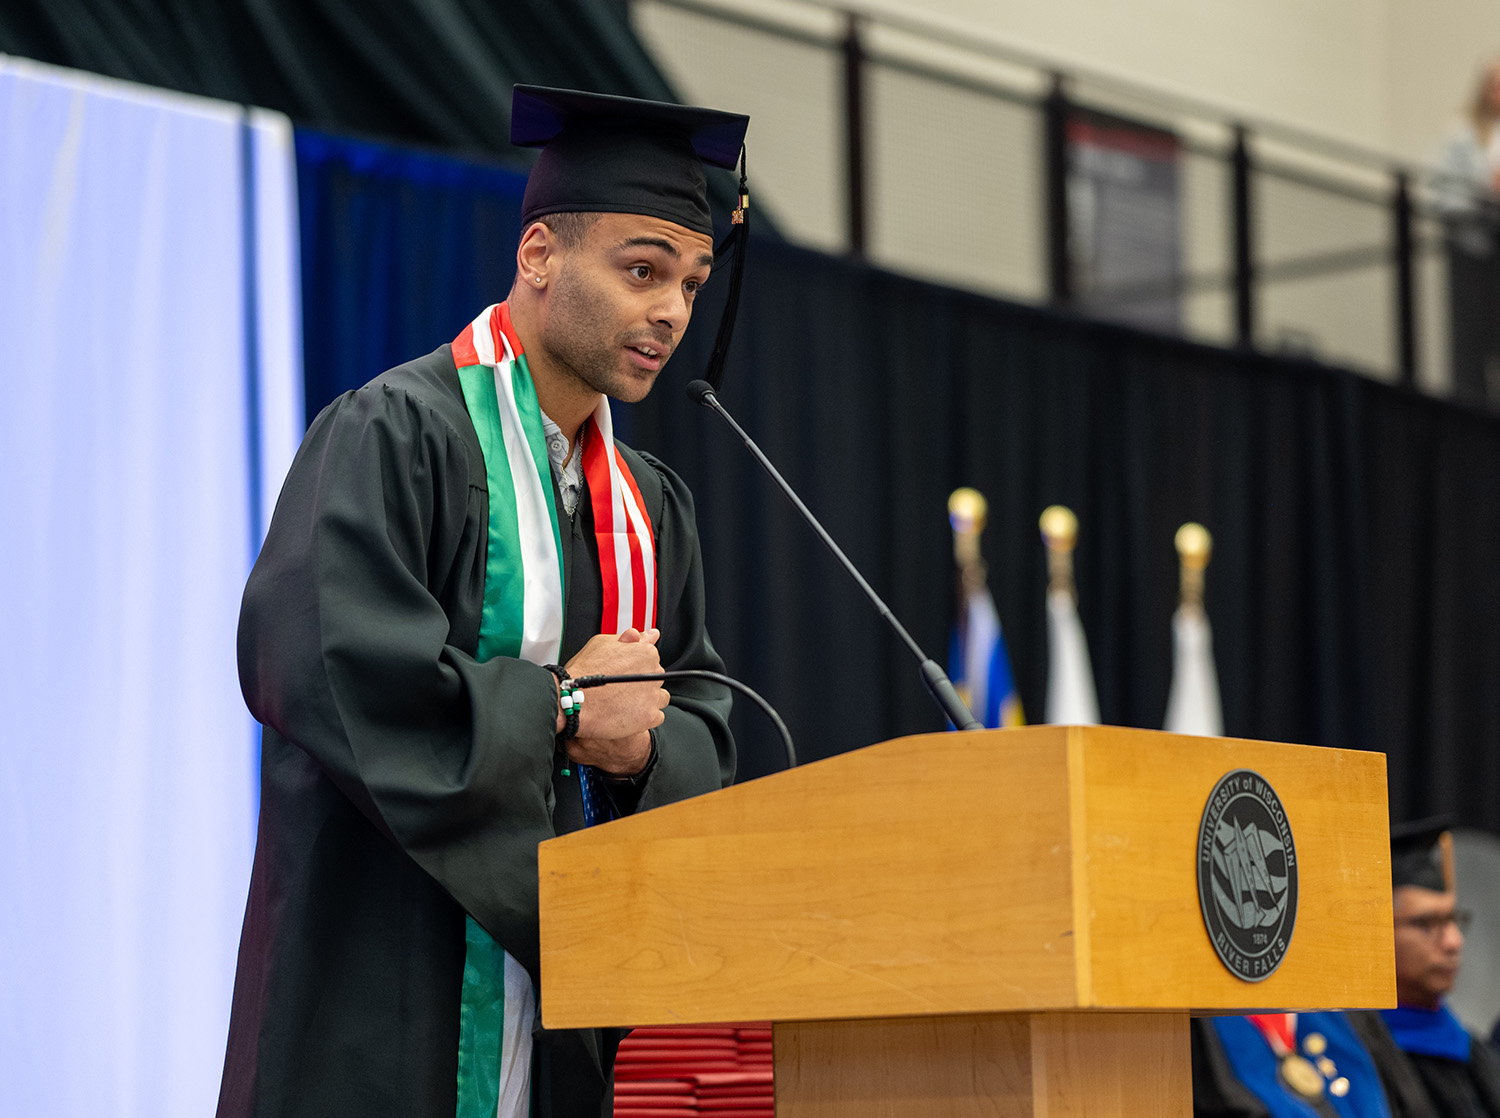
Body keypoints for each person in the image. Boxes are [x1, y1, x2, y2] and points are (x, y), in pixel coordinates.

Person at [216, 86, 747, 1118]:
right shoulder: (394, 435)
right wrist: (563, 710)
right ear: (540, 254)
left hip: (560, 1031)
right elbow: (325, 669)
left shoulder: (649, 511)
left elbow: (702, 727)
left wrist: (638, 748)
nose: (672, 311)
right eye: (642, 269)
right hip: (377, 996)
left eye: (692, 280)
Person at [1346, 819, 1500, 1117]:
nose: (1453, 942)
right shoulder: (1358, 1054)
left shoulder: (1465, 1045)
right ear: (1374, 932)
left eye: (1454, 920)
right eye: (1426, 924)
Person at [1435, 62, 1500, 404]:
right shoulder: (1461, 134)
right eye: (1495, 86)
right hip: (1473, 248)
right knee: (1471, 344)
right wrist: (1483, 193)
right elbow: (1440, 192)